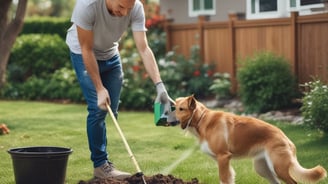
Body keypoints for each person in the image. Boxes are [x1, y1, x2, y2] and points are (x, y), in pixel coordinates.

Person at [66, 0, 174, 180]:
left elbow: (144, 48)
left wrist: (160, 87)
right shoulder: (87, 6)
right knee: (98, 108)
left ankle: (104, 162)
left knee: (112, 111)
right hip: (82, 53)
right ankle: (101, 166)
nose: (125, 14)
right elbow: (86, 48)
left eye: (128, 8)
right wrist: (99, 88)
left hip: (110, 54)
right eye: (121, 7)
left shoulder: (136, 8)